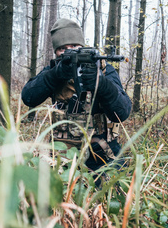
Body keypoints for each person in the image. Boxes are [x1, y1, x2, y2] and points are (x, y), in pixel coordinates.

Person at [21, 18, 131, 174]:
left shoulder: (104, 70)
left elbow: (122, 112)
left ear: (82, 46)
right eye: (62, 48)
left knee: (115, 190)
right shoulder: (54, 70)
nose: (69, 51)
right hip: (62, 151)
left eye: (73, 46)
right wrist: (56, 75)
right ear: (56, 52)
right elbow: (28, 97)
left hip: (103, 150)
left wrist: (102, 84)